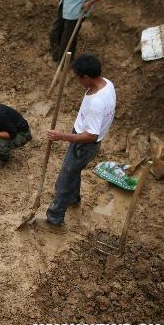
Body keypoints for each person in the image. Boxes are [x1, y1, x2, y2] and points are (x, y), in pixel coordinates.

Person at [41, 53, 116, 229]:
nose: (77, 81)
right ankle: (74, 198)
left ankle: (55, 218)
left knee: (64, 181)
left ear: (87, 77)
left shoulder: (96, 103)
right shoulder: (107, 83)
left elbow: (91, 135)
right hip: (84, 140)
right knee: (73, 171)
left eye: (78, 78)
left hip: (84, 145)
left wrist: (62, 136)